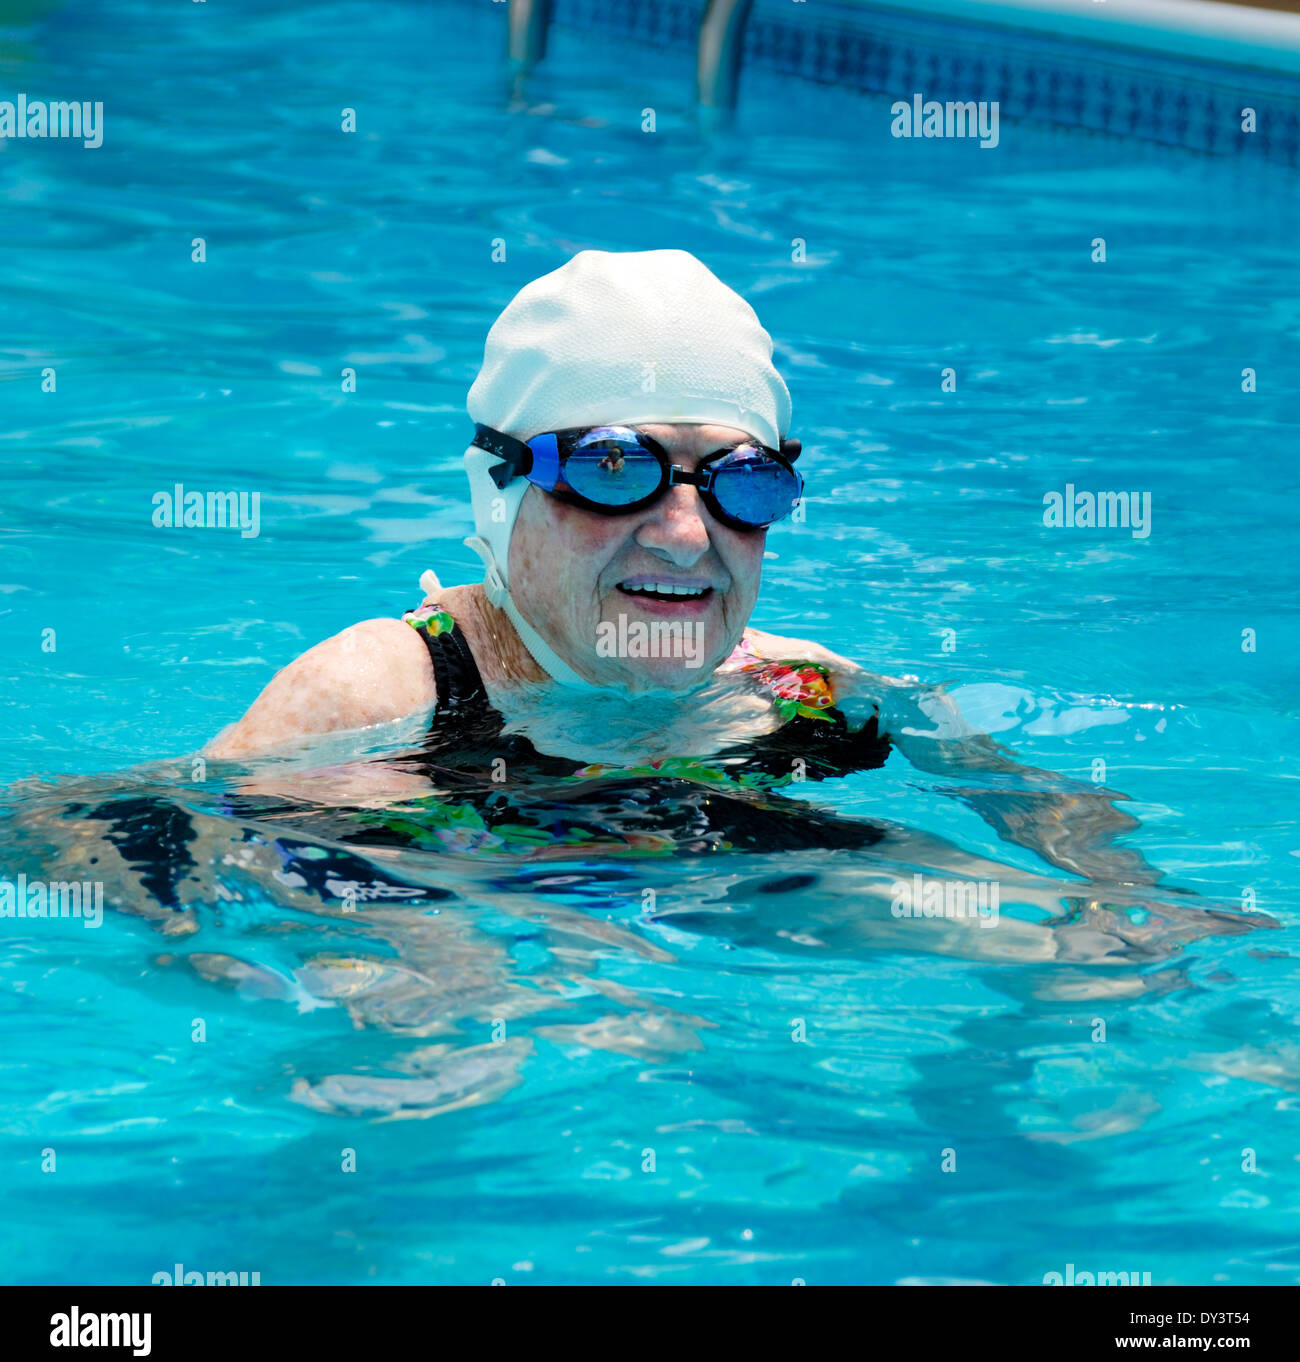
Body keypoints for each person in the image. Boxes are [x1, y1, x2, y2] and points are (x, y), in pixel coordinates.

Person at [206, 249, 1160, 885]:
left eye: (741, 482)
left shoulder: (801, 690)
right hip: (491, 983)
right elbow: (124, 843)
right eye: (614, 470)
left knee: (1038, 939)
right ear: (501, 492)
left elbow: (1048, 808)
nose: (687, 536)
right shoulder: (379, 690)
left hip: (708, 916)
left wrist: (1132, 904)